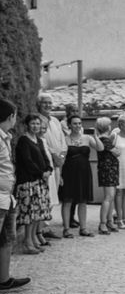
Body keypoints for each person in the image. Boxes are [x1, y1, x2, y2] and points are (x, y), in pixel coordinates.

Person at [0, 99, 31, 294]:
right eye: (14, 116)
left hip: (6, 196)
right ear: (9, 116)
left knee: (7, 238)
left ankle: (3, 279)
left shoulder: (5, 137)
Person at [59, 115, 104, 237]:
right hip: (69, 172)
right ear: (69, 125)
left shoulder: (87, 138)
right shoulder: (65, 139)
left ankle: (83, 228)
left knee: (83, 201)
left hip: (84, 172)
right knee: (67, 200)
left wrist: (95, 135)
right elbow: (61, 158)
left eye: (79, 123)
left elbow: (100, 148)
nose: (77, 126)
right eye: (74, 123)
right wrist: (59, 175)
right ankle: (66, 229)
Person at [14, 114, 53, 254]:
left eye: (38, 123)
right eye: (33, 123)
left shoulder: (39, 140)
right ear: (27, 125)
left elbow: (45, 158)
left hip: (40, 182)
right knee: (29, 214)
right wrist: (41, 173)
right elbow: (27, 161)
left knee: (37, 214)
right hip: (28, 182)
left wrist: (49, 169)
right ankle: (27, 242)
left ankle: (33, 239)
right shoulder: (23, 141)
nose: (35, 126)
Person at [36, 93, 65, 239]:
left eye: (50, 103)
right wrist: (54, 155)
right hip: (45, 163)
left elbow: (62, 142)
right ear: (39, 104)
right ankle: (39, 230)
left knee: (53, 198)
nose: (48, 105)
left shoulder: (55, 121)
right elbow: (40, 141)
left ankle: (45, 227)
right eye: (44, 103)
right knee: (45, 197)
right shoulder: (36, 120)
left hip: (58, 164)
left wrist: (61, 157)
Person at [95, 117, 119, 235]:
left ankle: (109, 221)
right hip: (108, 170)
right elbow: (117, 152)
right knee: (108, 197)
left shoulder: (105, 139)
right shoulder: (105, 140)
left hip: (110, 170)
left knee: (111, 197)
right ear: (107, 127)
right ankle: (103, 223)